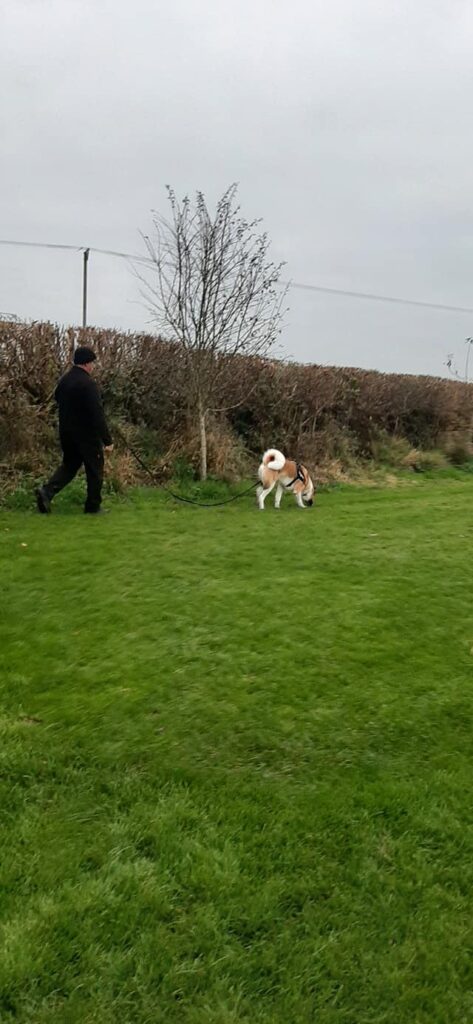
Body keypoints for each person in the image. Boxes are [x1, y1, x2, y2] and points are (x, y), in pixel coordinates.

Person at [36, 345, 113, 515]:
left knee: (70, 465)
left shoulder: (64, 381)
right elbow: (97, 412)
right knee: (95, 469)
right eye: (92, 363)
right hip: (87, 435)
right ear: (86, 363)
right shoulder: (88, 384)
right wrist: (107, 440)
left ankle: (47, 491)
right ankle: (93, 506)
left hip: (66, 432)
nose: (93, 366)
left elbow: (57, 399)